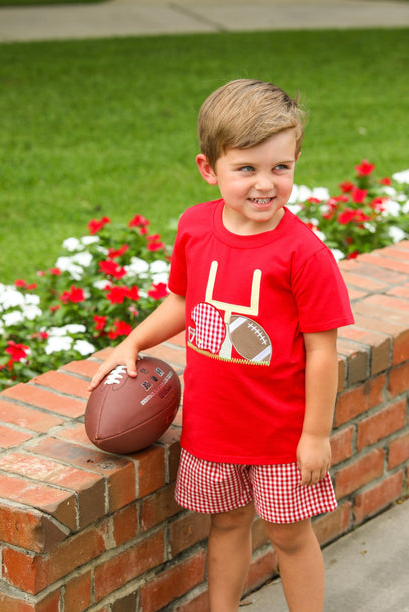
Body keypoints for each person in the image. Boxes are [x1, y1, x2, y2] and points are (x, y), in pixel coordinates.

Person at [89, 79, 354, 612]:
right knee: (227, 525)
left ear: (296, 160)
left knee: (289, 536)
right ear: (209, 169)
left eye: (280, 167)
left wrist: (316, 435)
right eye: (247, 169)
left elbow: (323, 351)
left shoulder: (303, 254)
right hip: (214, 429)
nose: (265, 184)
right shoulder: (195, 228)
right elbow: (184, 302)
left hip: (283, 437)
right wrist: (133, 341)